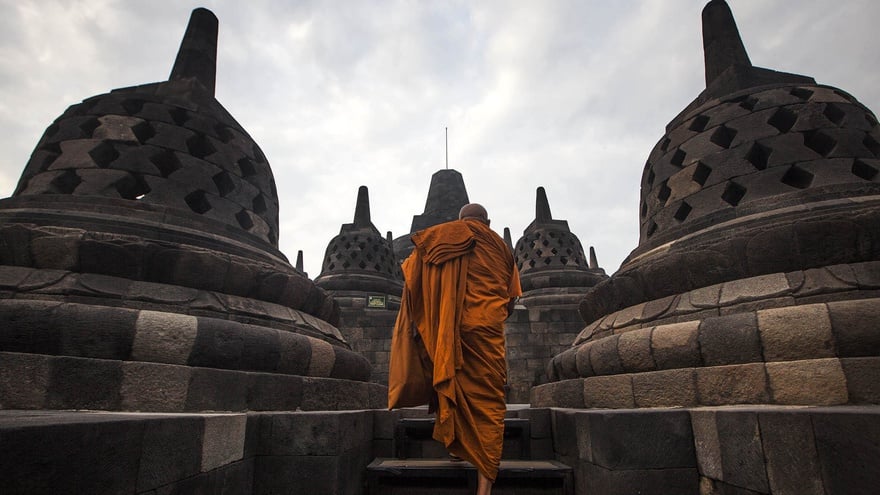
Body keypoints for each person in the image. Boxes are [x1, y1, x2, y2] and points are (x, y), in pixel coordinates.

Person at [388, 203, 522, 495]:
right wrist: (488, 314)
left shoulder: (445, 235)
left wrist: (436, 312)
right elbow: (511, 302)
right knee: (489, 406)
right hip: (487, 334)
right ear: (488, 221)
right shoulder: (502, 249)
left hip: (451, 329)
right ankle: (484, 488)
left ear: (461, 220)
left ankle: (456, 447)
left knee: (450, 382)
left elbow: (413, 275)